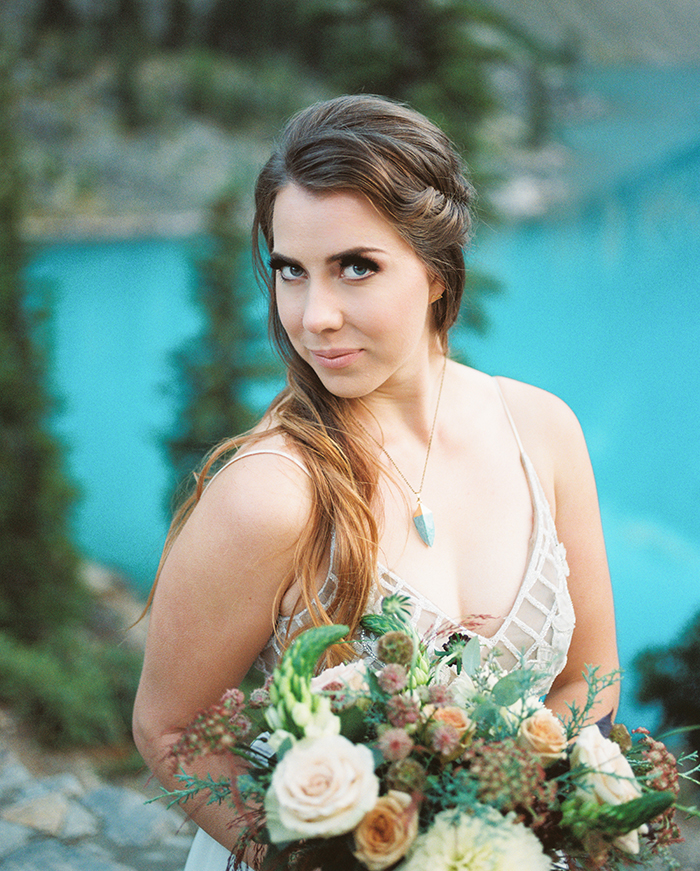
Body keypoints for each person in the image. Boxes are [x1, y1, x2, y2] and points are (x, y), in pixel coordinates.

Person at [132, 94, 619, 870]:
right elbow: (170, 730)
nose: (314, 314)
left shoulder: (543, 431)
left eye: (355, 267)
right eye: (291, 272)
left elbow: (587, 683)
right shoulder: (271, 494)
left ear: (435, 267)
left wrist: (512, 826)